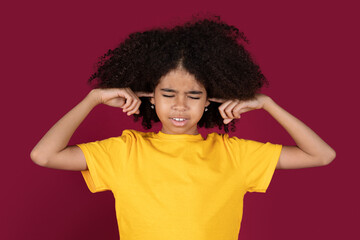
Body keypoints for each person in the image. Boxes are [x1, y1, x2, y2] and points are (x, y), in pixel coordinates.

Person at [30, 15, 336, 240]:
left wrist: (266, 104)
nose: (180, 105)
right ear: (150, 95)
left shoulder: (234, 154)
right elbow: (43, 155)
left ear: (209, 101)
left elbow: (321, 155)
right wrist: (92, 99)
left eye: (193, 95)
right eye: (168, 94)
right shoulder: (124, 150)